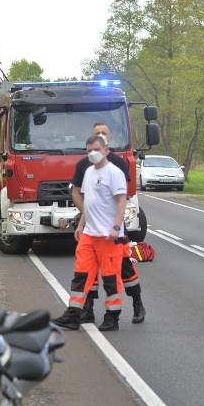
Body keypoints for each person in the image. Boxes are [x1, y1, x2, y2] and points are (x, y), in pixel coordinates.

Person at [70, 122, 146, 324]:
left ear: (108, 141)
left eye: (104, 133)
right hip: (92, 230)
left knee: (123, 267)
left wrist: (114, 224)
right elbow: (76, 192)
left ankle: (137, 303)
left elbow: (121, 197)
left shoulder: (117, 165)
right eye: (97, 133)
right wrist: (86, 214)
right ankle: (88, 308)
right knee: (90, 271)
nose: (101, 135)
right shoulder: (84, 165)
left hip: (114, 231)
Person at [52, 134, 127, 331]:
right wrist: (81, 225)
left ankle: (112, 317)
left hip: (108, 236)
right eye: (89, 150)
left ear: (105, 150)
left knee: (110, 278)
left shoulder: (114, 172)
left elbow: (121, 201)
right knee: (81, 275)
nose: (92, 153)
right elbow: (89, 203)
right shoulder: (88, 172)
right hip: (89, 234)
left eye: (96, 149)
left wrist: (116, 227)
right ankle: (73, 315)